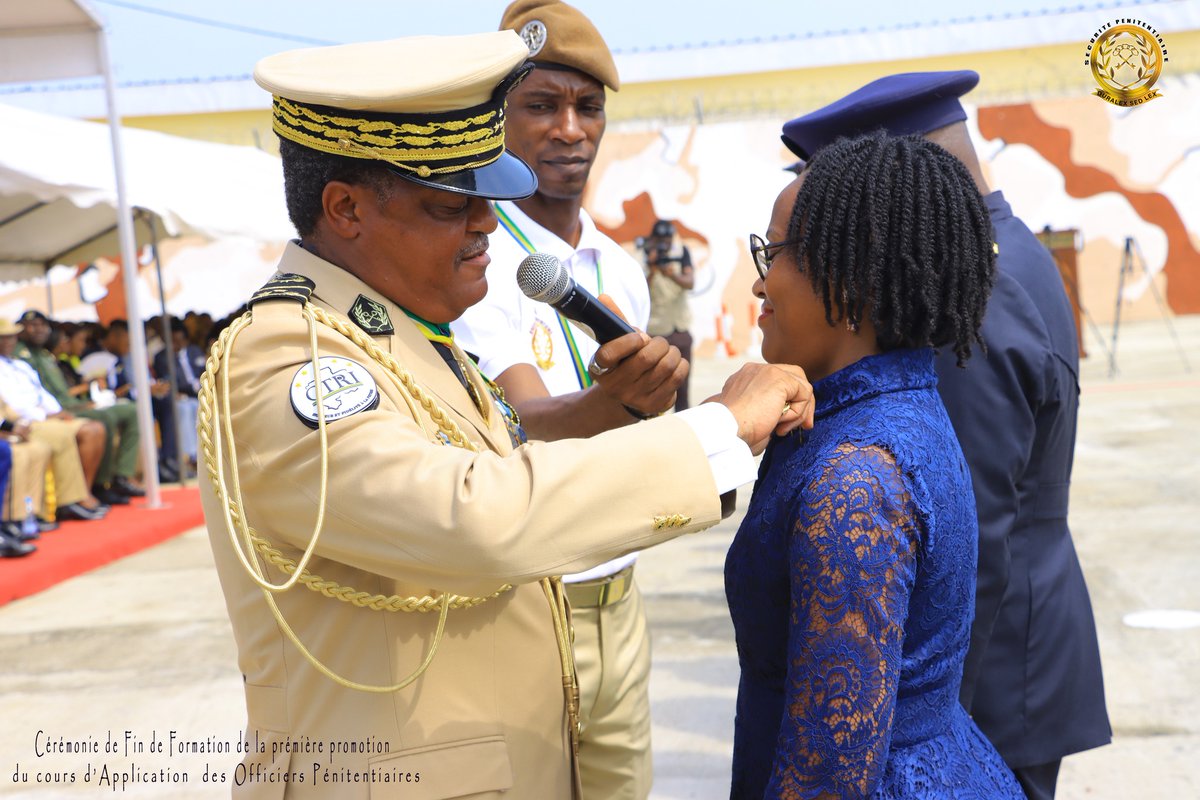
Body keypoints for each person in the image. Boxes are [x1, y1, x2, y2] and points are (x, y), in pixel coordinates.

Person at [202, 31, 814, 800]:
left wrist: (609, 408)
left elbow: (501, 455)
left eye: (486, 201)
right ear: (346, 209)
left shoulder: (404, 336)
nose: (487, 224)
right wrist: (717, 430)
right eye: (449, 205)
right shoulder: (285, 355)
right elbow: (469, 515)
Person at [780, 71, 1110, 799]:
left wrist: (937, 736)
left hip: (994, 676)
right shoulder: (1010, 249)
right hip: (1019, 642)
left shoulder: (964, 292)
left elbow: (970, 521)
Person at [725, 132, 1023, 798]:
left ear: (849, 273)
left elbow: (828, 773)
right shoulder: (887, 404)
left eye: (773, 253)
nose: (758, 279)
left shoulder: (857, 478)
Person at [451, 5, 678, 797]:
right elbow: (527, 428)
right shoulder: (476, 259)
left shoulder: (618, 267)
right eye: (541, 107)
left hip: (620, 599)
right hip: (528, 607)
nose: (570, 130)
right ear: (496, 119)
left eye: (588, 108)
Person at [16, 310, 145, 503]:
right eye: (33, 325)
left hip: (71, 405)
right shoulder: (21, 356)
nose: (39, 329)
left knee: (132, 410)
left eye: (42, 325)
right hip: (55, 411)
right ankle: (100, 484)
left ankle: (122, 474)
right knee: (105, 419)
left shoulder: (43, 355)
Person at [0, 318, 109, 521]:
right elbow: (13, 407)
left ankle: (83, 493)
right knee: (63, 435)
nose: (8, 341)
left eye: (11, 337)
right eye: (3, 338)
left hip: (42, 416)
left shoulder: (20, 365)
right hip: (27, 421)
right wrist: (46, 415)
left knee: (95, 428)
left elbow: (42, 394)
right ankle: (68, 500)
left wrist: (57, 411)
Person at [642, 219, 695, 412]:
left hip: (680, 326)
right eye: (660, 239)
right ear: (653, 238)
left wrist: (671, 273)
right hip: (657, 330)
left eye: (667, 239)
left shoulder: (682, 252)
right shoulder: (643, 255)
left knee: (683, 385)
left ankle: (683, 428)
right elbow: (640, 291)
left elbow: (690, 282)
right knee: (654, 387)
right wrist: (653, 271)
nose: (664, 243)